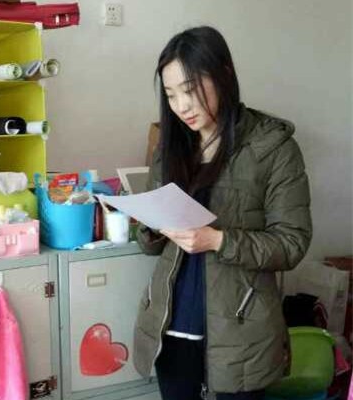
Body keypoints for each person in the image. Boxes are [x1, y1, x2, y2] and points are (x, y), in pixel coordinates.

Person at [133, 26, 312, 400]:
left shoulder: (272, 147)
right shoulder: (171, 148)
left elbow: (291, 243)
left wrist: (217, 240)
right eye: (171, 95)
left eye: (190, 90)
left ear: (224, 75)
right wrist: (150, 226)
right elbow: (149, 246)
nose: (181, 106)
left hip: (241, 331)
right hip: (171, 325)